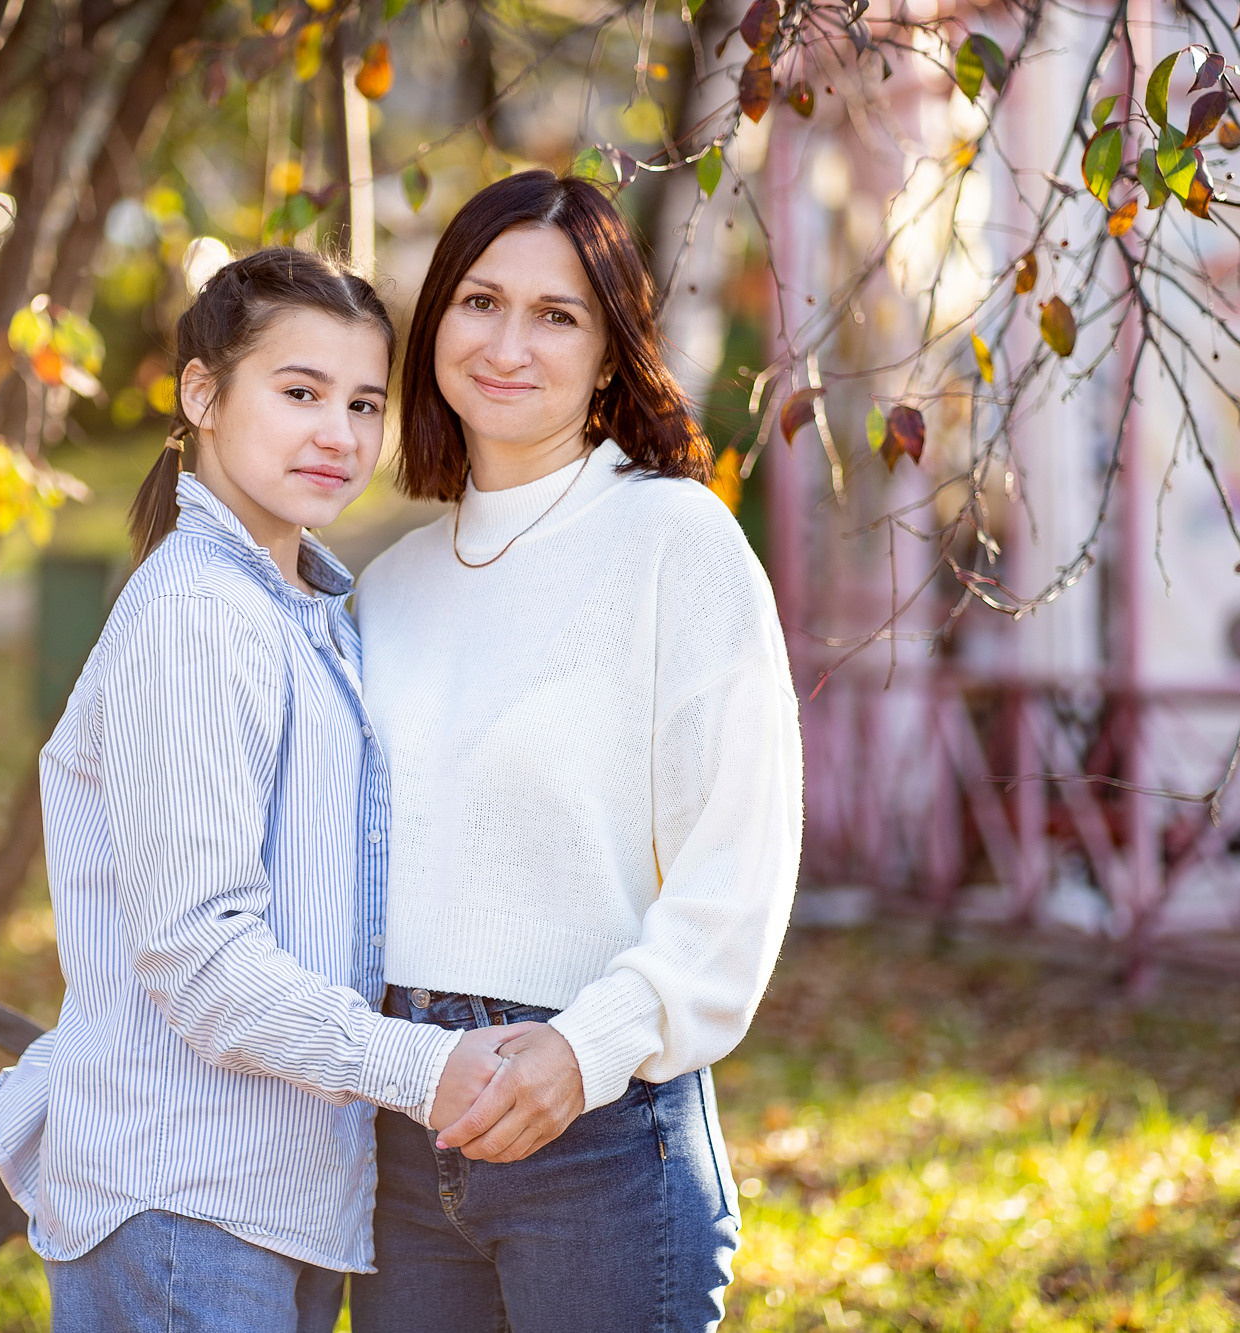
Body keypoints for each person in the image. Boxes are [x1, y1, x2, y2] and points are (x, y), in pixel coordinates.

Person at [0, 248, 517, 1333]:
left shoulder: (301, 612)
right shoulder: (197, 615)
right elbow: (201, 958)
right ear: (201, 395)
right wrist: (427, 1066)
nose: (338, 433)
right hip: (186, 1203)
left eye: (364, 403)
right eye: (300, 392)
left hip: (272, 1202)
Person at [349, 171, 804, 1333]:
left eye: (556, 315)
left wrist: (581, 1050)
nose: (508, 343)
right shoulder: (385, 587)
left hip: (601, 1137)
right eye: (479, 301)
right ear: (435, 321)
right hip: (401, 1131)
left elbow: (736, 861)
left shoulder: (675, 541)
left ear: (610, 353)